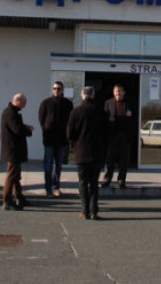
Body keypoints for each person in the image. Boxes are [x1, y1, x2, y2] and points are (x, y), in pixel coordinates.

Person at [67, 86, 108, 220]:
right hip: (97, 152)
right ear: (93, 95)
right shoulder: (101, 112)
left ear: (82, 96)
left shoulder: (76, 112)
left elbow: (69, 133)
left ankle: (84, 211)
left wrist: (73, 144)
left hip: (81, 151)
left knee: (83, 182)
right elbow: (106, 133)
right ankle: (94, 211)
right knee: (94, 183)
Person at [38, 81, 73, 197]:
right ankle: (48, 188)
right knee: (48, 165)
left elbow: (70, 120)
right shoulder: (46, 103)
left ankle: (56, 187)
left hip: (62, 140)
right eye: (54, 88)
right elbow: (41, 119)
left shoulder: (68, 104)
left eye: (58, 88)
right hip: (49, 140)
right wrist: (46, 129)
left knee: (59, 166)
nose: (56, 90)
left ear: (63, 90)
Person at [1, 93, 34, 210]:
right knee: (11, 175)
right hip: (13, 150)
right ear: (18, 101)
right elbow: (17, 130)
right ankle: (7, 201)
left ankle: (20, 197)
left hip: (13, 150)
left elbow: (17, 127)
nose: (24, 106)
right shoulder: (11, 113)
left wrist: (25, 127)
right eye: (23, 104)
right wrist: (27, 129)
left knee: (16, 176)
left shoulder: (11, 112)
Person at [101, 84, 135, 188]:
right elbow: (104, 118)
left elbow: (133, 119)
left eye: (120, 91)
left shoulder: (129, 103)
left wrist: (130, 135)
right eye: (116, 91)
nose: (118, 93)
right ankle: (107, 179)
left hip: (124, 135)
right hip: (112, 135)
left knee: (123, 160)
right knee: (110, 159)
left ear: (124, 92)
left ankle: (121, 180)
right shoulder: (108, 103)